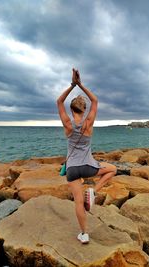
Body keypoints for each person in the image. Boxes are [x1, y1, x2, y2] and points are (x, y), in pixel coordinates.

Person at [56, 69, 117, 244]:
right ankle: (94, 191)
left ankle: (84, 234)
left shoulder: (67, 123)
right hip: (89, 167)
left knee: (78, 202)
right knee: (112, 169)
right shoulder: (88, 122)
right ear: (84, 109)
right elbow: (95, 100)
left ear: (71, 109)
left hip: (73, 169)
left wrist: (72, 85)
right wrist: (81, 84)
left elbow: (58, 100)